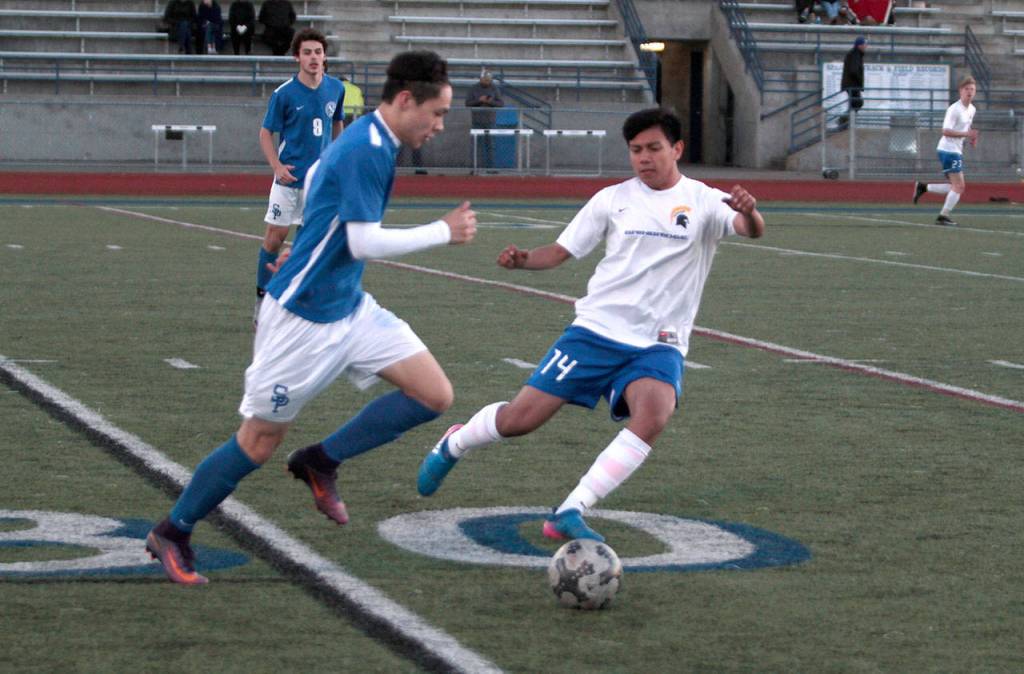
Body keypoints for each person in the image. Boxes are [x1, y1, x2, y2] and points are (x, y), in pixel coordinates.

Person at [146, 50, 477, 585]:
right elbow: (361, 239)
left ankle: (321, 460)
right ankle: (173, 529)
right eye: (437, 113)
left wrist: (304, 247)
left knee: (433, 394)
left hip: (348, 307)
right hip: (301, 321)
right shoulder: (368, 149)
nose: (440, 126)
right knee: (257, 440)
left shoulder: (372, 139)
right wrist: (445, 231)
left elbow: (322, 181)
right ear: (406, 100)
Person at [416, 108, 765, 542]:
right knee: (520, 420)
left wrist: (750, 212)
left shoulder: (705, 200)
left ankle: (571, 508)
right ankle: (456, 441)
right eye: (636, 150)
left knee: (655, 413)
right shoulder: (612, 198)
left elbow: (749, 229)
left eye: (654, 148)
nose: (644, 158)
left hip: (659, 344)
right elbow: (562, 251)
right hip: (596, 332)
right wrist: (524, 260)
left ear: (676, 149)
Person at [254, 28, 345, 325]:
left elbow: (337, 123)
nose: (313, 58)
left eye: (318, 52)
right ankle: (261, 302)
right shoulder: (284, 94)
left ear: (325, 55)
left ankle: (301, 304)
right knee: (274, 240)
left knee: (313, 244)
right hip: (289, 180)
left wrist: (336, 159)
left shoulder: (336, 88)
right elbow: (266, 133)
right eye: (307, 52)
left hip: (319, 184)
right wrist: (276, 166)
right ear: (297, 58)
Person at [913, 75, 978, 227]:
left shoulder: (972, 109)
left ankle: (923, 187)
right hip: (948, 150)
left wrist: (971, 137)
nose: (970, 92)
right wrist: (965, 134)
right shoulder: (954, 109)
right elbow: (946, 131)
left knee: (955, 186)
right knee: (959, 186)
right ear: (960, 91)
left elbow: (966, 127)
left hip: (956, 150)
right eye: (967, 89)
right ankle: (943, 216)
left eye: (972, 89)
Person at [465, 69, 504, 170]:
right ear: (480, 79)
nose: (487, 82)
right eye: (485, 80)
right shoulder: (473, 88)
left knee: (491, 145)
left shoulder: (494, 88)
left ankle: (490, 168)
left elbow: (500, 104)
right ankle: (474, 168)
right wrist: (479, 101)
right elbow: (467, 103)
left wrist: (490, 102)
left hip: (490, 121)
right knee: (475, 145)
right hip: (476, 121)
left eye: (489, 80)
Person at [838, 36, 866, 128]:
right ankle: (843, 121)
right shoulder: (855, 54)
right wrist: (859, 81)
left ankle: (845, 122)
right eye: (864, 44)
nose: (866, 46)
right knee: (858, 103)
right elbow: (854, 70)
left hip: (850, 84)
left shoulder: (855, 53)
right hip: (852, 84)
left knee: (854, 104)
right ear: (859, 45)